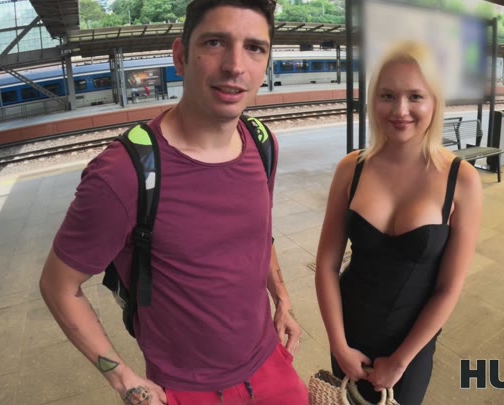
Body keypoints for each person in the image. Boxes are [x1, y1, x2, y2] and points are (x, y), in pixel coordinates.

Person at [39, 0, 308, 404]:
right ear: (180, 56)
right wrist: (124, 380)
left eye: (255, 48)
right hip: (188, 389)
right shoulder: (123, 174)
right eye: (215, 42)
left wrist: (282, 299)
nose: (236, 66)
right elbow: (58, 285)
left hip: (272, 364)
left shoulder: (261, 143)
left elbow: (259, 236)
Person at [315, 41, 482, 405]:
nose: (400, 110)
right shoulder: (351, 169)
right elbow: (326, 265)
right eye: (387, 95)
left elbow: (448, 288)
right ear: (373, 100)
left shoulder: (461, 180)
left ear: (434, 101)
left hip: (411, 346)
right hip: (349, 334)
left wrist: (401, 361)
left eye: (415, 96)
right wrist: (338, 345)